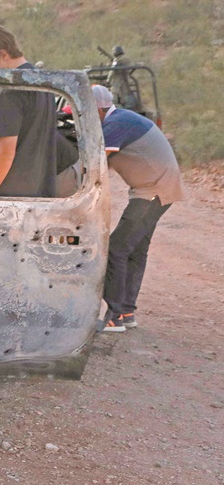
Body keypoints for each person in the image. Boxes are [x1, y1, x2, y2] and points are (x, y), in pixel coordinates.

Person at [92, 85, 185, 332]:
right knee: (135, 250)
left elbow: (98, 161)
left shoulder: (115, 123)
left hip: (153, 190)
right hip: (157, 186)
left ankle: (113, 316)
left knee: (117, 248)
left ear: (98, 110)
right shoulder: (123, 118)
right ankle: (126, 311)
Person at [0, 24, 58, 197]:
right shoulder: (43, 83)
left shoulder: (11, 90)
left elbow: (6, 152)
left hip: (10, 197)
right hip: (38, 190)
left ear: (3, 55)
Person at [107, 45, 140, 112]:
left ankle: (115, 107)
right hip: (126, 78)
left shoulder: (117, 60)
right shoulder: (127, 59)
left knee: (114, 93)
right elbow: (132, 67)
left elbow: (112, 70)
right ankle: (128, 107)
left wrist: (108, 80)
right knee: (125, 92)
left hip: (117, 78)